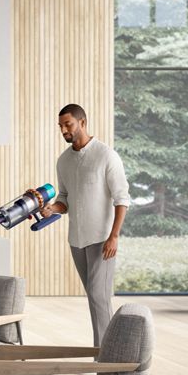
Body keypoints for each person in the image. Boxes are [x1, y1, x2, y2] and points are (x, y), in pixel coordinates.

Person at [40, 104, 129, 347]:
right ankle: (109, 353)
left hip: (102, 239)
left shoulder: (106, 155)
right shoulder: (64, 161)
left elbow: (122, 199)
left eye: (68, 124)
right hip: (76, 241)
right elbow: (64, 199)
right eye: (60, 126)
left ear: (82, 122)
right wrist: (51, 209)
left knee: (99, 297)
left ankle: (105, 357)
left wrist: (114, 236)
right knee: (94, 298)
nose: (63, 130)